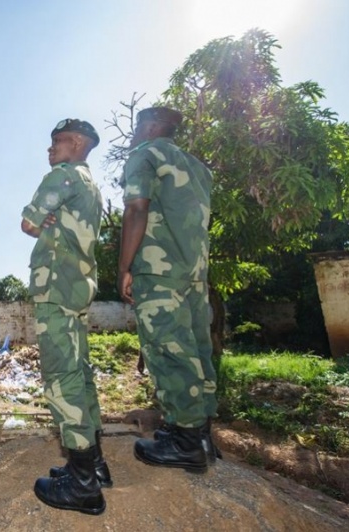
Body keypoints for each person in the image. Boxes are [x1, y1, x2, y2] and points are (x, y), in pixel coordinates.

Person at [117, 106, 219, 474]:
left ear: (150, 127)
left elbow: (135, 209)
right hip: (195, 274)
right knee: (197, 349)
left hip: (159, 271)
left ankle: (185, 442)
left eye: (137, 126)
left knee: (167, 350)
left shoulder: (143, 155)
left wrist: (125, 266)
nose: (134, 134)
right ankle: (202, 433)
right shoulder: (198, 167)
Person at [21, 118, 107, 515]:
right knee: (81, 373)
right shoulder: (92, 186)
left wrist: (42, 225)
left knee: (61, 377)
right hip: (79, 289)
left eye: (56, 142)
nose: (50, 150)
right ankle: (94, 465)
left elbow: (28, 223)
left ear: (76, 142)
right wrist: (50, 225)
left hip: (56, 288)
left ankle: (84, 485)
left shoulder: (63, 176)